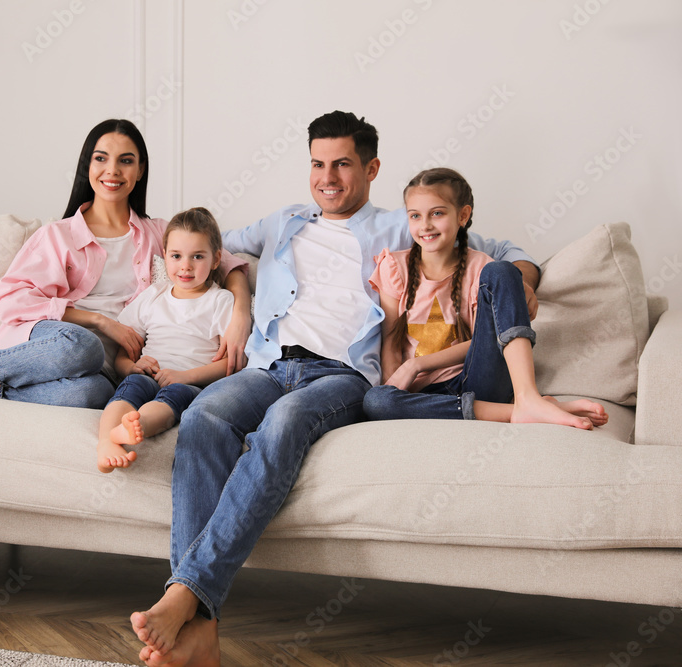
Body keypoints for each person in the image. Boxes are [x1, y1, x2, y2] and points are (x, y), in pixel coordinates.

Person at [129, 111, 541, 667]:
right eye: (318, 164)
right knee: (204, 417)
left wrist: (526, 284)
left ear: (370, 168)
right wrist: (240, 306)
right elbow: (216, 248)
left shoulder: (403, 223)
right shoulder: (284, 221)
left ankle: (187, 596)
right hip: (269, 365)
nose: (328, 177)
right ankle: (201, 628)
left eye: (342, 164)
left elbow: (509, 252)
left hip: (343, 375)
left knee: (283, 424)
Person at [0, 119, 250, 408]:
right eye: (101, 158)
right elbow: (10, 299)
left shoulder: (159, 233)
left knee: (92, 397)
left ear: (139, 172)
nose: (112, 171)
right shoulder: (59, 236)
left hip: (107, 364)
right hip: (60, 341)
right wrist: (100, 321)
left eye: (126, 161)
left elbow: (227, 263)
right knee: (82, 345)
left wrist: (239, 318)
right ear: (88, 165)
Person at [363, 168, 607, 428]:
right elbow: (390, 341)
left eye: (437, 213)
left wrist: (418, 365)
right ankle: (518, 411)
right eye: (415, 215)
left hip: (477, 380)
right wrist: (397, 384)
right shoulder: (394, 267)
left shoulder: (481, 269)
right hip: (422, 395)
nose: (425, 225)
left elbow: (487, 340)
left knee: (502, 270)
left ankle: (528, 397)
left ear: (463, 215)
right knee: (377, 401)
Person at [97, 207, 234, 473]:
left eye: (197, 256)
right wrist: (133, 367)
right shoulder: (154, 294)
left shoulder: (220, 301)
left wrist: (187, 376)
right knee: (131, 386)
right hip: (148, 373)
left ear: (216, 259)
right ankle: (107, 441)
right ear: (165, 256)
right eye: (176, 256)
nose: (185, 265)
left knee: (172, 398)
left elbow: (231, 364)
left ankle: (137, 427)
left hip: (188, 382)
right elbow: (124, 352)